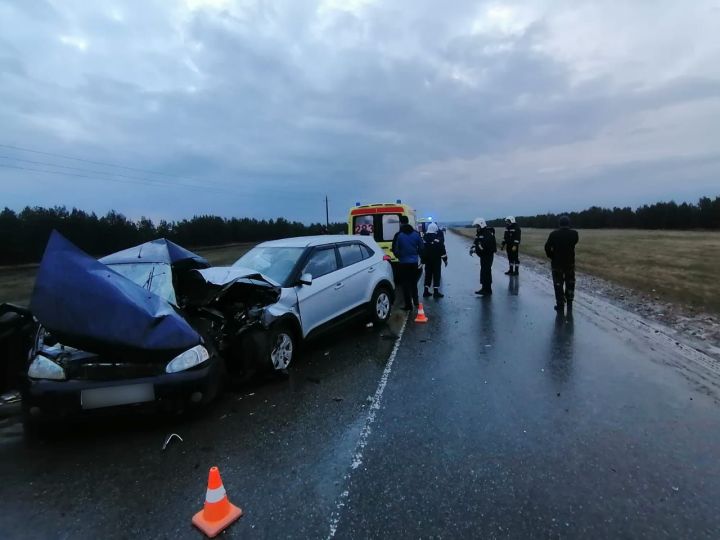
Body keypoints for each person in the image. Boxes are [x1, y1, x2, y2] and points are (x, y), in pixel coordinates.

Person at [544, 215, 579, 314]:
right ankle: (570, 302)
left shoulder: (554, 234)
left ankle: (560, 304)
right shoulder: (574, 234)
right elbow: (575, 243)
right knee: (570, 282)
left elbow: (547, 247)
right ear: (569, 223)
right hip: (570, 263)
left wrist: (551, 256)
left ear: (559, 224)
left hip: (557, 263)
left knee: (558, 284)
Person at [392, 215, 424, 310]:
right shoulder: (416, 234)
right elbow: (421, 247)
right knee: (413, 282)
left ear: (400, 223)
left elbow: (395, 249)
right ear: (408, 222)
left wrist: (399, 256)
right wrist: (418, 256)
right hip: (414, 262)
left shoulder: (398, 235)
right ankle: (416, 301)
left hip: (403, 263)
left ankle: (408, 305)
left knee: (405, 284)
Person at [469, 217, 496, 296]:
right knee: (484, 271)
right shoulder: (480, 233)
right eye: (476, 226)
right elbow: (476, 241)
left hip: (488, 255)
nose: (477, 228)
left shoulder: (488, 234)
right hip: (483, 256)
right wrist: (473, 247)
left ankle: (488, 289)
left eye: (478, 226)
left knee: (486, 271)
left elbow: (484, 246)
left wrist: (475, 249)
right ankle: (484, 288)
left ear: (481, 225)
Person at [422, 222, 448, 299]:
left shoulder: (424, 239)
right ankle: (436, 292)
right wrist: (445, 260)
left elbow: (422, 250)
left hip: (427, 261)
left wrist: (423, 260)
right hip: (436, 260)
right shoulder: (437, 239)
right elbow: (442, 251)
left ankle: (425, 291)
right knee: (436, 275)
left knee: (428, 275)